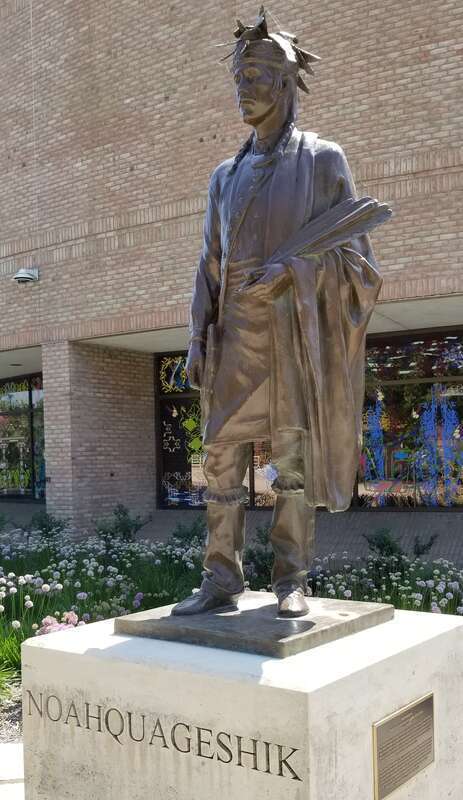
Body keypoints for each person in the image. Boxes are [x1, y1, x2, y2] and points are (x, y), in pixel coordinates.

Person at [173, 7, 383, 618]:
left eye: (256, 77)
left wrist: (292, 272)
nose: (243, 89)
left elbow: (358, 261)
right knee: (220, 462)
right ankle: (221, 578)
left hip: (291, 336)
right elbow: (209, 263)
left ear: (286, 83)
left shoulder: (322, 160)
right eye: (238, 78)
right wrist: (197, 336)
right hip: (234, 338)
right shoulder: (224, 176)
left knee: (292, 463)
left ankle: (291, 579)